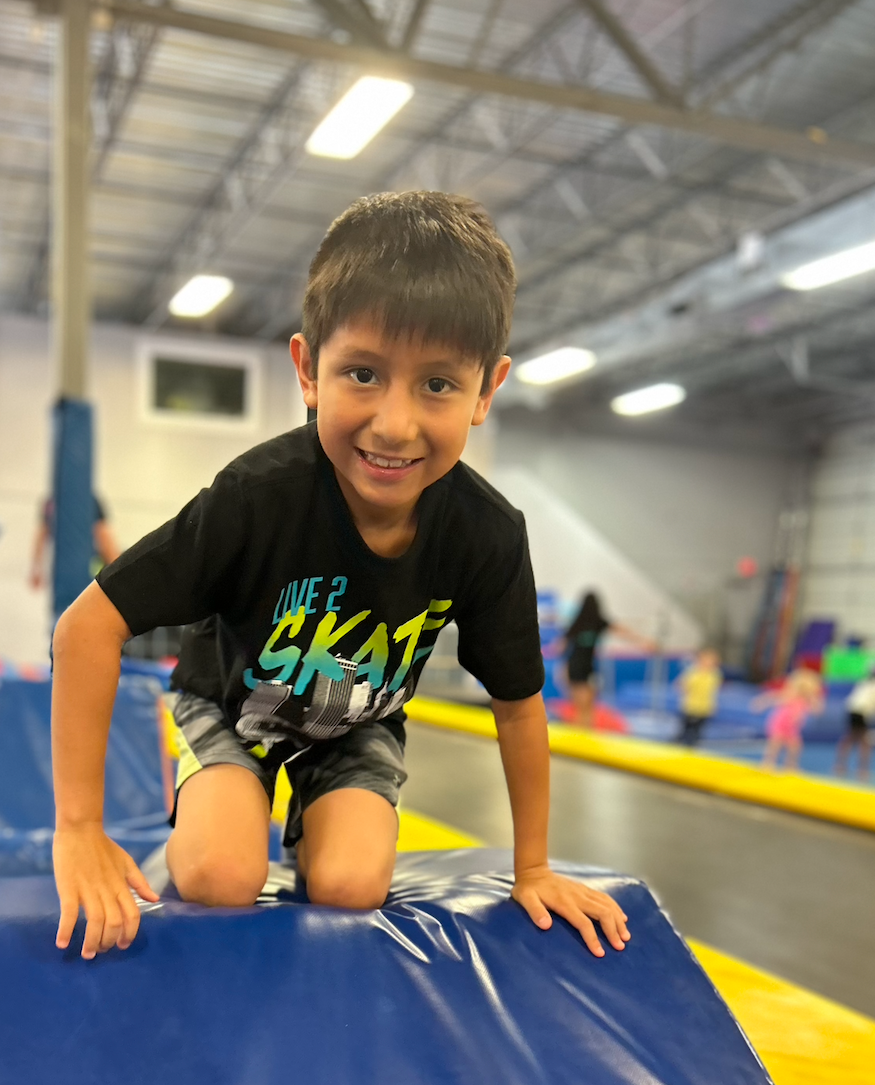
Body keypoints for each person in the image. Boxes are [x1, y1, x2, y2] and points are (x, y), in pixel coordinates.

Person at [50, 191, 630, 963]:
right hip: (230, 706)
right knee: (222, 873)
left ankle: (313, 818)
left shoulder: (487, 536)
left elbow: (520, 707)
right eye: (362, 373)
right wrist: (80, 830)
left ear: (487, 390)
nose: (394, 424)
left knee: (353, 884)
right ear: (308, 369)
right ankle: (212, 806)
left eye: (438, 384)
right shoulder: (257, 498)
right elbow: (87, 625)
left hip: (354, 722)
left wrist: (532, 869)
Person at [560, 591, 656, 729]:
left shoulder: (586, 623)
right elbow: (623, 632)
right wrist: (644, 642)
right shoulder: (583, 623)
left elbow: (562, 647)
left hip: (579, 665)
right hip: (583, 666)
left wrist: (644, 642)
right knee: (583, 703)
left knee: (585, 702)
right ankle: (581, 729)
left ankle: (583, 729)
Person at [29, 494, 121, 590]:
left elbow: (103, 534)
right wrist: (37, 567)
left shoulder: (87, 501)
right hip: (70, 568)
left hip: (86, 565)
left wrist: (116, 569)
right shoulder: (53, 503)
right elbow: (42, 534)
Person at [754, 668, 824, 772]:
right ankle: (768, 762)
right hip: (781, 723)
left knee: (795, 746)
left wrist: (814, 698)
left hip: (792, 727)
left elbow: (818, 712)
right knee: (775, 743)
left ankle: (790, 765)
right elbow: (774, 697)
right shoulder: (791, 695)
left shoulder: (808, 700)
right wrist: (761, 703)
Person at [676, 648, 723, 747]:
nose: (708, 664)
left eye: (712, 661)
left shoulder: (715, 674)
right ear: (700, 661)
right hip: (690, 707)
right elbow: (681, 684)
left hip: (704, 708)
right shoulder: (693, 672)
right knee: (684, 729)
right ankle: (679, 745)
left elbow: (715, 688)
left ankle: (691, 747)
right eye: (706, 661)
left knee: (696, 733)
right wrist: (684, 688)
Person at [835, 669, 875, 780]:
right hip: (859, 713)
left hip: (853, 711)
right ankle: (862, 770)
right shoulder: (870, 686)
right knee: (863, 741)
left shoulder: (863, 683)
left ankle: (841, 765)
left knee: (851, 738)